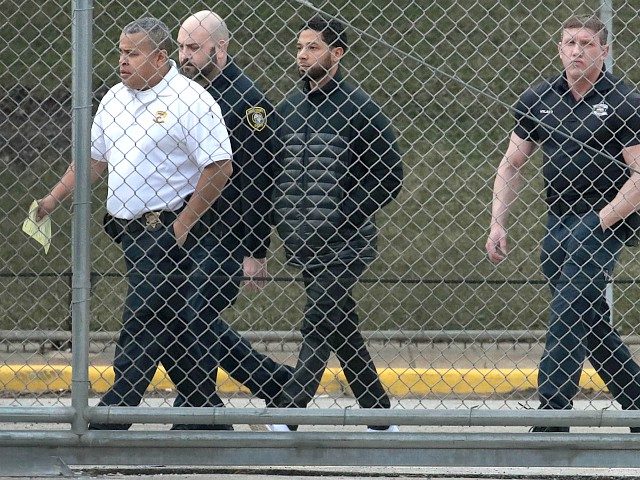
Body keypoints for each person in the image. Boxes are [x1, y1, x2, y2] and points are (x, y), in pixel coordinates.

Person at [37, 17, 235, 429]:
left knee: (143, 318)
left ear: (161, 58)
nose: (122, 62)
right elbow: (93, 161)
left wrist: (180, 227)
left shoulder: (191, 100)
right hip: (127, 234)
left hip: (165, 232)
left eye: (133, 54)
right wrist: (53, 199)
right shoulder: (114, 98)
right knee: (175, 323)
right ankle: (205, 414)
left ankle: (115, 410)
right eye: (120, 53)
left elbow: (219, 167)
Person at [486, 15, 640, 432]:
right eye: (569, 42)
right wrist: (497, 223)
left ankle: (552, 414)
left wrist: (602, 221)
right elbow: (512, 163)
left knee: (568, 310)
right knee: (585, 316)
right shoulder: (540, 97)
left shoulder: (625, 101)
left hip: (605, 221)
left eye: (587, 43)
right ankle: (638, 401)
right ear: (559, 48)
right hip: (558, 220)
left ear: (603, 51)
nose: (577, 51)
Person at [268, 16, 403, 432]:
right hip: (302, 243)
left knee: (317, 320)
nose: (302, 55)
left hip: (346, 243)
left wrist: (345, 212)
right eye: (300, 47)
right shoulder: (286, 110)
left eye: (312, 47)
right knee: (340, 325)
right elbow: (273, 173)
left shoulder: (360, 108)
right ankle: (379, 416)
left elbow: (391, 174)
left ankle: (289, 412)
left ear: (336, 53)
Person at [173, 10, 292, 408]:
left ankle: (202, 407)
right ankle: (264, 385)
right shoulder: (184, 94)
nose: (184, 56)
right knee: (182, 319)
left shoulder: (246, 102)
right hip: (187, 229)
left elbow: (259, 181)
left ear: (219, 48)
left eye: (193, 48)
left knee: (194, 314)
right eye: (180, 47)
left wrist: (256, 248)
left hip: (226, 232)